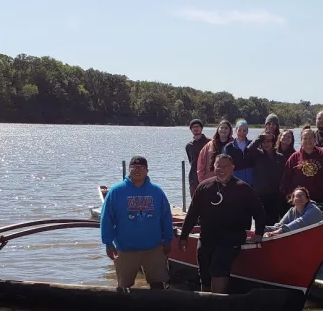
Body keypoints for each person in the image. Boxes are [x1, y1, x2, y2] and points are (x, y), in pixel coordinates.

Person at [179, 154, 265, 293]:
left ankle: (217, 300)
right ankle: (205, 301)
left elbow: (259, 212)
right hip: (207, 236)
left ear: (233, 168)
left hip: (231, 238)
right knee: (204, 267)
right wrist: (184, 236)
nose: (222, 169)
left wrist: (259, 233)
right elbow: (192, 213)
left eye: (225, 166)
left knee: (219, 265)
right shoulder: (204, 187)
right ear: (214, 167)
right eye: (219, 166)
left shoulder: (243, 188)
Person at [100, 156, 174, 289]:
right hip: (126, 248)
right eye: (133, 167)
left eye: (141, 167)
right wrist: (108, 243)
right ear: (129, 170)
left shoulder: (156, 192)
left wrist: (168, 239)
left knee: (158, 285)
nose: (137, 170)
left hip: (153, 248)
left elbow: (166, 217)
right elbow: (106, 218)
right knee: (123, 287)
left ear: (147, 170)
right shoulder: (116, 191)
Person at [280, 126, 323, 215]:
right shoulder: (294, 157)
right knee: (299, 225)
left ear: (315, 140)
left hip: (319, 201)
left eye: (310, 138)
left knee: (316, 226)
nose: (308, 140)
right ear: (301, 141)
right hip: (299, 201)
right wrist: (289, 196)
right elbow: (286, 179)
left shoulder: (322, 156)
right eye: (305, 138)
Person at [247, 131, 286, 225]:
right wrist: (259, 137)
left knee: (273, 221)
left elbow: (284, 175)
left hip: (275, 195)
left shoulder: (280, 157)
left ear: (273, 142)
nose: (266, 144)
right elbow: (248, 149)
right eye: (264, 141)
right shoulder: (257, 155)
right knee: (260, 221)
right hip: (260, 194)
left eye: (269, 141)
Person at [223, 119, 254, 185]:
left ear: (247, 131)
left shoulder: (252, 144)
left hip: (251, 183)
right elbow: (225, 165)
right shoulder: (228, 147)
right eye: (239, 130)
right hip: (235, 183)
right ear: (235, 130)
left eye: (244, 130)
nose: (242, 133)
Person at [185, 119, 208, 198]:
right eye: (193, 127)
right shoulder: (189, 146)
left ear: (201, 128)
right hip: (193, 178)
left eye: (197, 126)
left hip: (207, 177)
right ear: (191, 129)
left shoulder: (209, 142)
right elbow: (191, 161)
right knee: (195, 201)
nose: (195, 128)